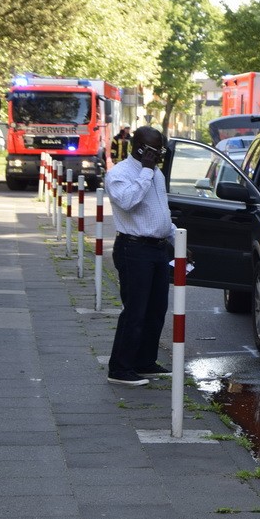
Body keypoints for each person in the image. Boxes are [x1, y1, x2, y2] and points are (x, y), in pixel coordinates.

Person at [104, 126, 174, 386]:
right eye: (156, 150)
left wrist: (174, 238)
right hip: (133, 249)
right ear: (141, 148)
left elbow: (159, 210)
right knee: (135, 310)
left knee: (157, 309)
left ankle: (145, 361)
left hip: (156, 247)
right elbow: (128, 202)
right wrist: (145, 171)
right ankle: (120, 368)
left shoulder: (156, 173)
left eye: (161, 149)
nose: (160, 156)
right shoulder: (119, 174)